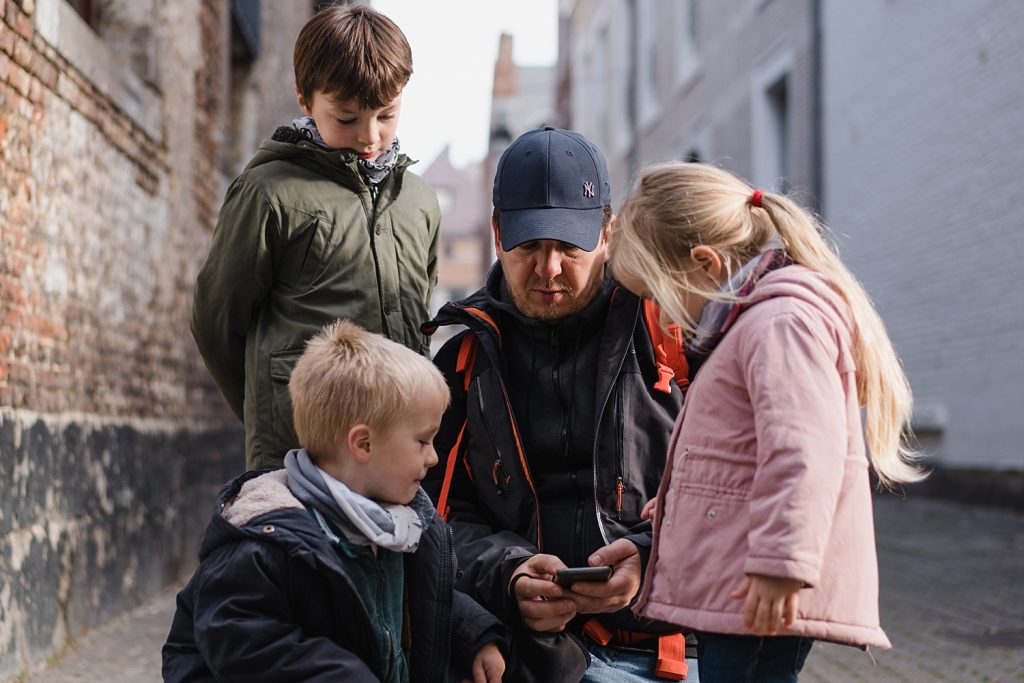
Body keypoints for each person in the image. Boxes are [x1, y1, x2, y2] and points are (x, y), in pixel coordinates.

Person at [609, 161, 926, 683]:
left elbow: (805, 454)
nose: (663, 317)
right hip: (745, 583)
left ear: (705, 264)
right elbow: (742, 458)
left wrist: (782, 564)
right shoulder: (751, 326)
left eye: (659, 295)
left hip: (759, 590)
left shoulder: (778, 324)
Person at [422, 127, 699, 682]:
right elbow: (433, 518)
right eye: (528, 246)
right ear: (498, 233)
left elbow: (734, 487)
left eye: (569, 246)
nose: (548, 270)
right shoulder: (461, 363)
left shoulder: (672, 334)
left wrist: (650, 558)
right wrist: (507, 575)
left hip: (665, 652)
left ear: (607, 230)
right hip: (522, 655)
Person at [162, 320, 507, 683]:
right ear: (363, 444)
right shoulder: (265, 544)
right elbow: (248, 644)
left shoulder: (402, 524)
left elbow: (425, 601)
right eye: (423, 442)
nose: (433, 457)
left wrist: (474, 638)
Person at [191, 4, 440, 471]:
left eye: (387, 114)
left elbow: (418, 319)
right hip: (299, 461)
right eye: (346, 119)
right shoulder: (268, 194)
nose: (371, 136)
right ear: (305, 100)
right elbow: (216, 323)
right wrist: (270, 413)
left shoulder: (420, 202)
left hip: (398, 464)